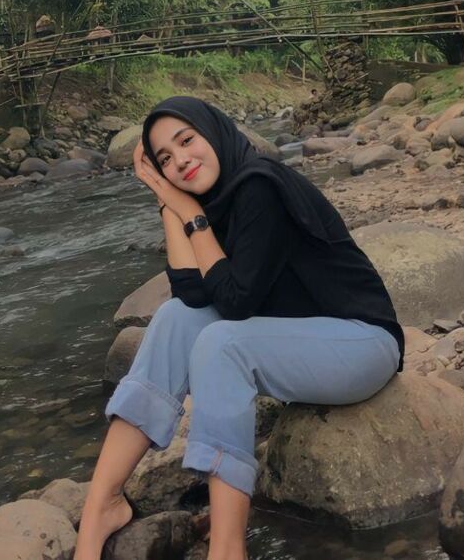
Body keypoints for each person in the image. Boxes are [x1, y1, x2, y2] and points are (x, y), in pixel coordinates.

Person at [74, 97, 404, 560]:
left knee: (221, 343)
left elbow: (234, 303)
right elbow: (191, 294)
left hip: (361, 342)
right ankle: (101, 505)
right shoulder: (215, 201)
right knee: (173, 318)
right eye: (164, 159)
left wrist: (190, 214)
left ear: (215, 132)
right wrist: (169, 203)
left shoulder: (259, 186)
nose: (180, 160)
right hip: (298, 342)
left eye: (187, 140)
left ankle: (229, 550)